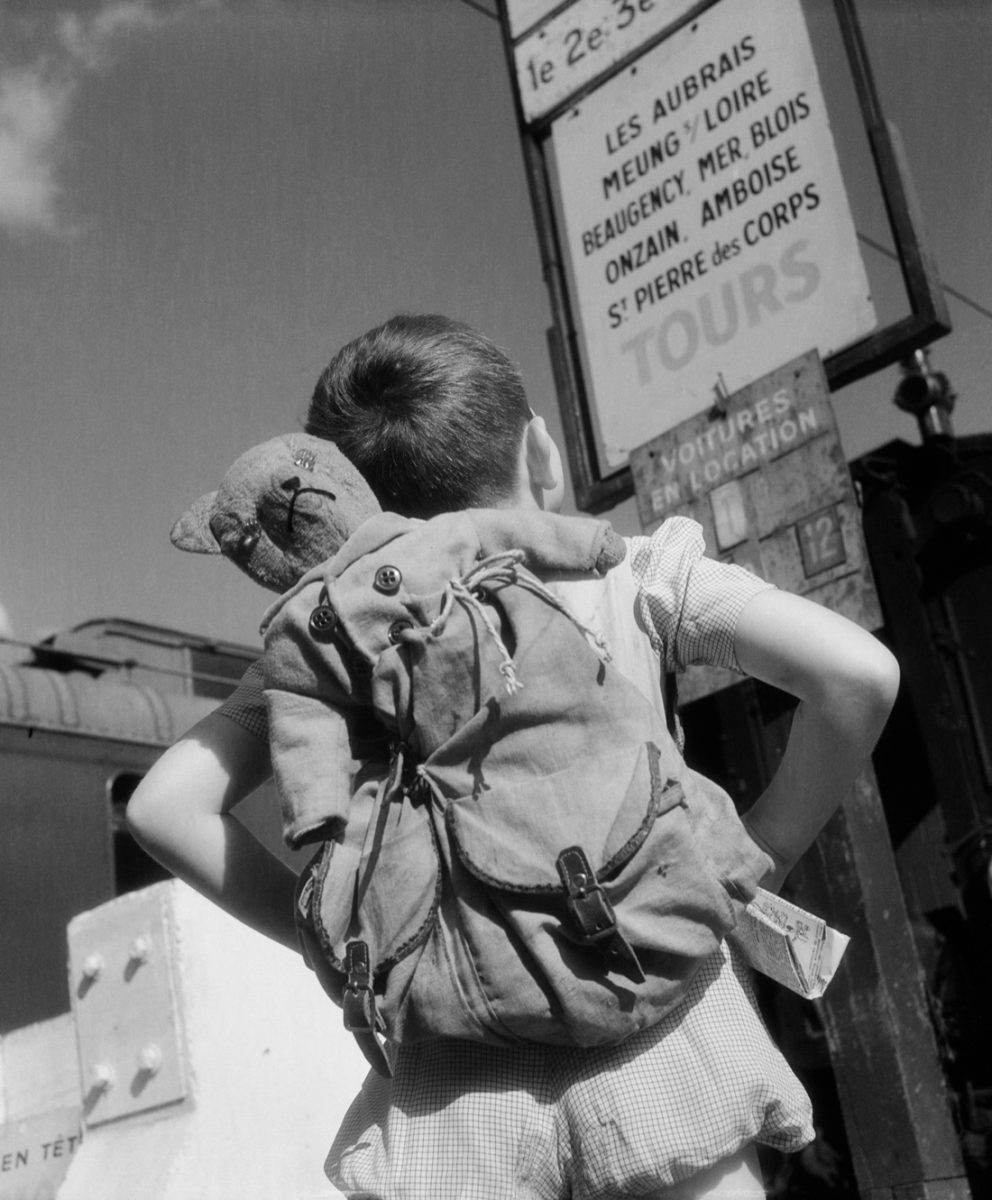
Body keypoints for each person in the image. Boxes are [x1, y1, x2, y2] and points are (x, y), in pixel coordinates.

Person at [127, 314, 900, 1199]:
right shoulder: (631, 574)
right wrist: (760, 850)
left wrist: (332, 949)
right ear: (544, 454)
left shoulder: (336, 645)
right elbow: (858, 675)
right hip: (663, 1047)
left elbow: (164, 809)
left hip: (458, 1102)